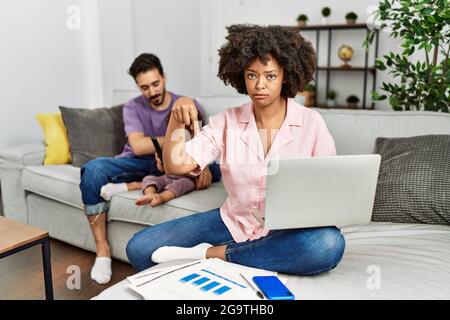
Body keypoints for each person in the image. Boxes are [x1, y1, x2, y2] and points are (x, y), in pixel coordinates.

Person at [126, 25, 345, 276]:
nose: (259, 85)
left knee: (328, 245)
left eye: (270, 76)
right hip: (234, 222)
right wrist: (177, 115)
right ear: (242, 75)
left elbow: (328, 191)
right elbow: (177, 166)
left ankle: (211, 255)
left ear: (286, 75)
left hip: (289, 230)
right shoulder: (226, 121)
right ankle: (257, 256)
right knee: (140, 248)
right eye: (252, 75)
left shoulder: (311, 123)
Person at [80, 53, 220, 284]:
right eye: (145, 87)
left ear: (164, 77)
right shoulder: (132, 107)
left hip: (178, 163)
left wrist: (199, 161)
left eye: (156, 84)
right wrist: (175, 138)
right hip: (140, 161)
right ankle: (103, 251)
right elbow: (138, 145)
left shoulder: (185, 104)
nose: (152, 91)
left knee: (214, 171)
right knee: (92, 169)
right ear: (137, 86)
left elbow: (202, 141)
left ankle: (130, 185)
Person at [135, 112, 206, 207]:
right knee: (148, 178)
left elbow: (195, 171)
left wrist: (180, 164)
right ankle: (149, 194)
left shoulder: (195, 147)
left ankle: (162, 197)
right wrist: (160, 162)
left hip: (186, 179)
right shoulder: (169, 146)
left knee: (182, 184)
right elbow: (161, 169)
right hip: (168, 177)